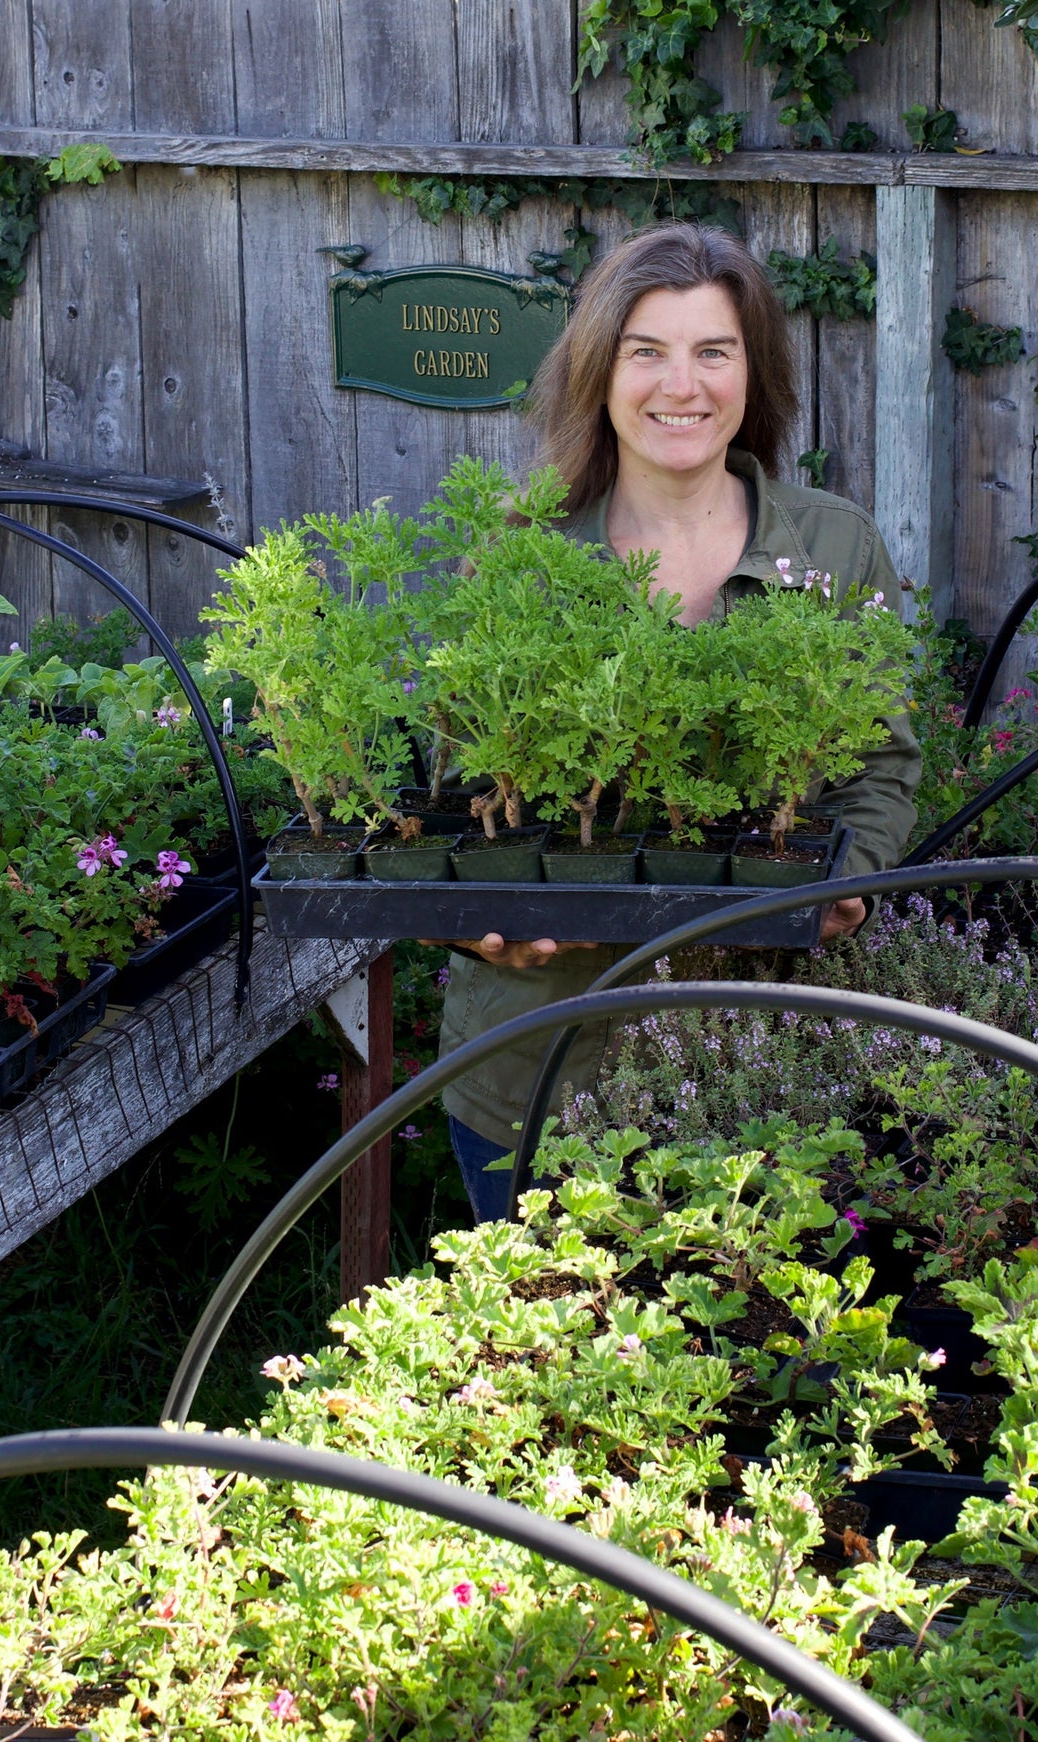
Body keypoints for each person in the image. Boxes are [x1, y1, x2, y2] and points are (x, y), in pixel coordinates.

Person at [436, 221, 922, 1220]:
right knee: (544, 1321)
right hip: (540, 1069)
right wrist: (479, 924)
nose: (682, 385)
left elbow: (879, 763)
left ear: (754, 371)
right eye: (646, 351)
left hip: (761, 1063)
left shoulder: (834, 548)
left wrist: (851, 878)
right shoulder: (522, 552)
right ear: (599, 371)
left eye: (714, 351)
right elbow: (460, 793)